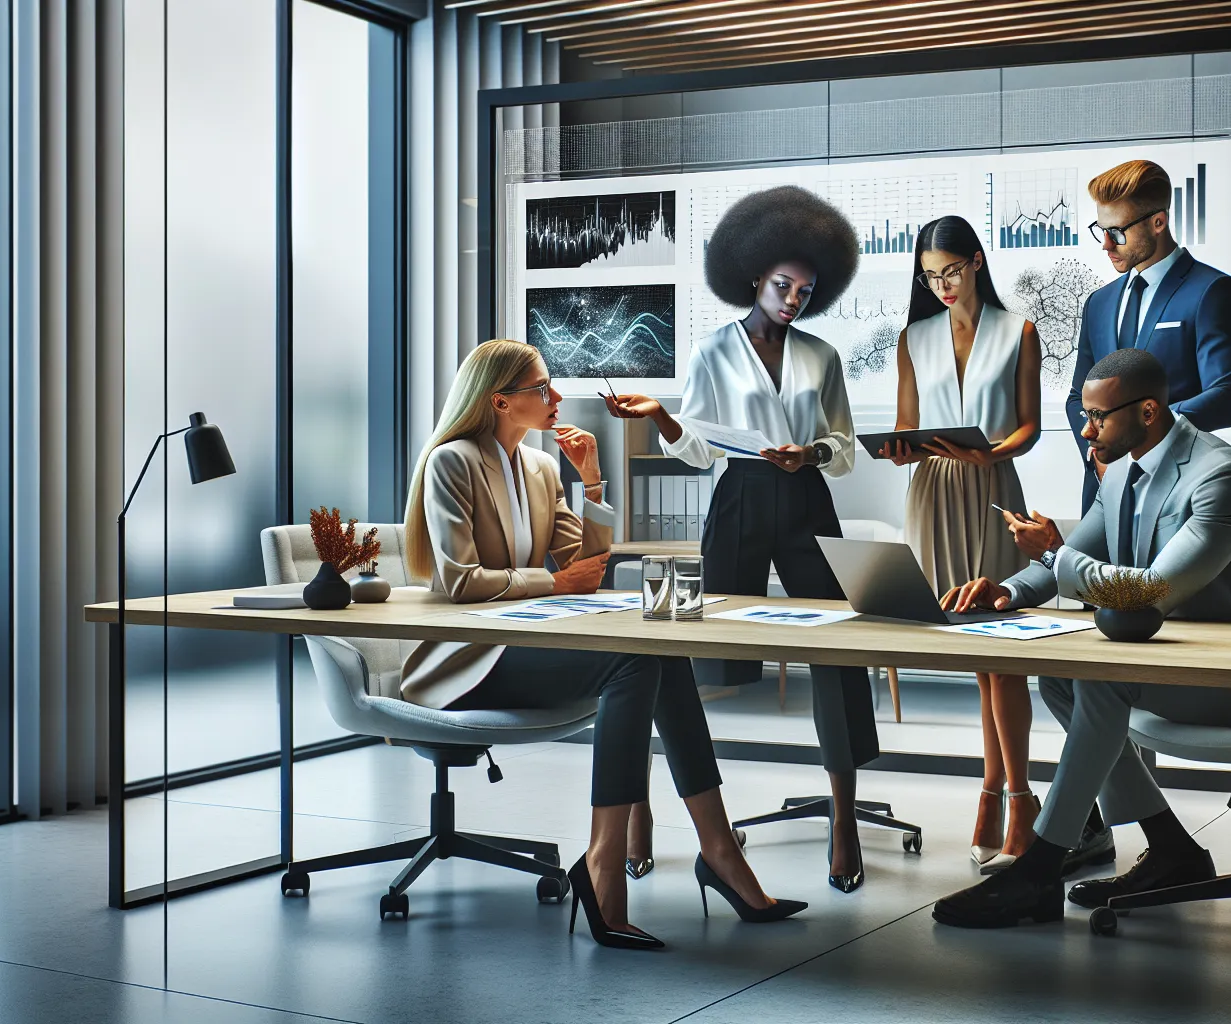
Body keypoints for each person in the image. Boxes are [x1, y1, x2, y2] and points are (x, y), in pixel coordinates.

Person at [400, 339, 805, 949]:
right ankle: (616, 862)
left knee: (660, 654)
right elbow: (460, 582)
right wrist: (551, 582)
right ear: (500, 400)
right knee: (634, 659)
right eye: (542, 389)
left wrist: (589, 480)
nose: (556, 398)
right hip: (471, 658)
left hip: (527, 640)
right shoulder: (452, 462)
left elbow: (590, 559)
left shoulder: (537, 467)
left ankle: (710, 852)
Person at [929, 348, 1231, 929]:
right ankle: (1173, 849)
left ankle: (1039, 870)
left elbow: (1146, 594)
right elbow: (1079, 554)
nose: (1086, 430)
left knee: (1101, 683)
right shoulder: (1121, 470)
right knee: (1063, 681)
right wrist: (1008, 592)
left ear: (1148, 411)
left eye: (1098, 418)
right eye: (1083, 416)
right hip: (1169, 663)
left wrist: (1052, 548)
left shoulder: (1223, 478)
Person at [605, 185, 880, 894]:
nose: (792, 298)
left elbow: (845, 445)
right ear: (755, 276)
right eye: (782, 285)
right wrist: (663, 420)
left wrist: (811, 454)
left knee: (837, 652)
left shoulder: (821, 356)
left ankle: (844, 819)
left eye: (805, 290)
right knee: (684, 655)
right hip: (738, 498)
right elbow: (697, 450)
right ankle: (642, 814)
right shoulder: (713, 352)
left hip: (807, 498)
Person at [877, 215, 1043, 874]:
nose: (940, 284)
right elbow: (907, 426)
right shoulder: (912, 337)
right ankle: (993, 794)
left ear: (975, 261)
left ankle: (1016, 800)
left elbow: (1029, 424)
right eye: (928, 275)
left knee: (1003, 651)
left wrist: (990, 454)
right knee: (974, 654)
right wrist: (896, 449)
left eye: (949, 270)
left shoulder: (1017, 331)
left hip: (994, 482)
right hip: (934, 492)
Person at [1067, 159, 1231, 511]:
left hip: (1178, 491)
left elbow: (1229, 397)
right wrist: (1101, 456)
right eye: (1100, 229)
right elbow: (1077, 397)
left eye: (1117, 232)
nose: (1105, 244)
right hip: (1102, 491)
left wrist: (1137, 437)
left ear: (1158, 222)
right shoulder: (1098, 303)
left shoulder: (1212, 291)